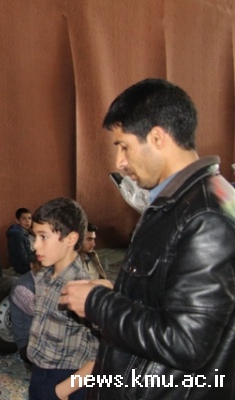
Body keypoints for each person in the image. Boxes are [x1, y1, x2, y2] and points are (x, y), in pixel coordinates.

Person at [59, 78, 235, 399]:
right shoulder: (177, 202)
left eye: (124, 146)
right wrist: (115, 293)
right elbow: (167, 296)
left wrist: (98, 303)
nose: (119, 162)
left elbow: (187, 342)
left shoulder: (206, 216)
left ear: (157, 138)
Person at [27, 197, 100, 400]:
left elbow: (104, 352)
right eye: (34, 237)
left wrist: (62, 390)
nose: (35, 246)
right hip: (39, 373)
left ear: (71, 239)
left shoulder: (80, 289)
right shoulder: (44, 276)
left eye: (43, 237)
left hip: (67, 380)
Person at [9, 259, 40, 370]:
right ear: (32, 265)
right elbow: (43, 314)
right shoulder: (22, 287)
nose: (46, 268)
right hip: (29, 344)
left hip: (45, 340)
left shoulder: (48, 281)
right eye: (40, 264)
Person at [6, 207, 36, 274]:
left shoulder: (27, 232)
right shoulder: (17, 235)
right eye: (24, 218)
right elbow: (24, 259)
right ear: (17, 221)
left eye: (29, 218)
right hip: (24, 268)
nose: (27, 221)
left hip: (29, 264)